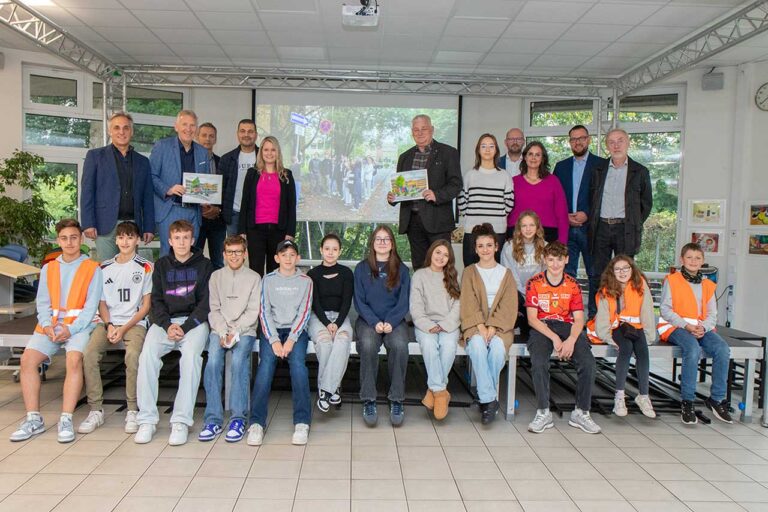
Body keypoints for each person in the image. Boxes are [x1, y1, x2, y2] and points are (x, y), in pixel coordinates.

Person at [10, 219, 103, 443]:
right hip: (50, 326)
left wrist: (69, 329)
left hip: (79, 326)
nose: (69, 242)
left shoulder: (92, 267)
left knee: (73, 361)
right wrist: (48, 326)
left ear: (81, 239)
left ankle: (66, 418)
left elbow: (91, 308)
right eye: (64, 238)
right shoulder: (48, 268)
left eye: (73, 237)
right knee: (27, 361)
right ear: (58, 240)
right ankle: (34, 419)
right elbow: (42, 303)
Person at [134, 220, 213, 446]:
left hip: (193, 323)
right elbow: (156, 301)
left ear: (193, 240)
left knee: (190, 359)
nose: (181, 242)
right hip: (165, 323)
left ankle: (180, 421)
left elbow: (206, 303)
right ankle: (147, 419)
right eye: (177, 238)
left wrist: (185, 327)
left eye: (185, 238)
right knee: (147, 356)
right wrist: (167, 325)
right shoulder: (161, 265)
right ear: (170, 241)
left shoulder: (204, 266)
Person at [79, 221, 152, 436]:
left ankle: (132, 409)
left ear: (137, 240)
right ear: (116, 240)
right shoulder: (104, 267)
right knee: (89, 354)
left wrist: (123, 328)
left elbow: (146, 306)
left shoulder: (146, 266)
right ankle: (95, 409)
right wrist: (110, 325)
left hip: (134, 323)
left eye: (130, 237)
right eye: (121, 237)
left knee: (133, 356)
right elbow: (101, 302)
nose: (125, 241)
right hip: (108, 322)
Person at [526, 241, 600, 434]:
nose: (555, 264)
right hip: (543, 328)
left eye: (559, 260)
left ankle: (581, 412)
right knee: (539, 362)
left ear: (566, 260)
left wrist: (571, 340)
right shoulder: (534, 283)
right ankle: (544, 412)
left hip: (568, 327)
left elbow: (578, 319)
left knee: (588, 363)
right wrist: (554, 338)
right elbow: (532, 319)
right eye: (550, 260)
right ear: (544, 260)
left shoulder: (573, 285)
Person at [657, 243, 732, 425]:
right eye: (689, 257)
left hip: (701, 328)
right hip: (676, 327)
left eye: (697, 258)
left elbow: (712, 314)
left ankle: (716, 399)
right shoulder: (672, 280)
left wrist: (703, 328)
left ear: (703, 262)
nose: (693, 261)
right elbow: (665, 310)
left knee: (722, 349)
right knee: (692, 350)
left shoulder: (708, 285)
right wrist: (686, 326)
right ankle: (687, 401)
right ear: (682, 260)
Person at [247, 239, 313, 446]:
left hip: (296, 331)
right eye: (283, 255)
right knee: (265, 366)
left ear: (298, 258)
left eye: (292, 255)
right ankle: (257, 423)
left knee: (298, 367)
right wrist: (274, 341)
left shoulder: (305, 281)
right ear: (276, 258)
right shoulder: (267, 280)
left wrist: (292, 340)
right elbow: (263, 312)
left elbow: (305, 312)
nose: (288, 258)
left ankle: (302, 422)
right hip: (272, 331)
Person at [199, 235, 261, 443]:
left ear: (245, 254)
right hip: (220, 329)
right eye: (230, 252)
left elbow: (253, 311)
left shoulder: (254, 278)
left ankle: (238, 418)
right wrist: (223, 330)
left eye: (238, 252)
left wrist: (235, 332)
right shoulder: (216, 277)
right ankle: (213, 419)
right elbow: (213, 309)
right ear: (224, 254)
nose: (234, 256)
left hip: (245, 331)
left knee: (237, 361)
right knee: (213, 361)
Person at [459, 223, 518, 424]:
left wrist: (493, 326)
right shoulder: (469, 272)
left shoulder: (506, 274)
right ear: (475, 249)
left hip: (501, 327)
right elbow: (467, 302)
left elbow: (510, 304)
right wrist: (481, 326)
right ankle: (490, 399)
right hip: (474, 325)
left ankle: (485, 399)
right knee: (476, 345)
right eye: (481, 246)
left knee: (497, 350)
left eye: (489, 245)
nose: (485, 249)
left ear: (496, 247)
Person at [388, 114, 462, 270]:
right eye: (416, 130)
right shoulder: (404, 157)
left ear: (432, 130)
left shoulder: (448, 153)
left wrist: (437, 195)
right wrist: (393, 197)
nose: (420, 133)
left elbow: (456, 185)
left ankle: (443, 295)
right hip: (413, 222)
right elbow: (401, 187)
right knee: (419, 266)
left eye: (424, 129)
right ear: (412, 132)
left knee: (442, 267)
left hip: (438, 222)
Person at [586, 255, 656, 418]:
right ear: (612, 272)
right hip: (616, 328)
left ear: (632, 269)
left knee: (643, 353)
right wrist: (609, 339)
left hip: (636, 328)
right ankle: (619, 395)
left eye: (626, 268)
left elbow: (647, 311)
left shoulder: (641, 286)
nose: (622, 272)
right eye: (618, 269)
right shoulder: (606, 290)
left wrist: (648, 336)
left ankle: (643, 396)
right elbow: (603, 320)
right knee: (625, 348)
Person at [354, 225, 411, 427]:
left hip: (394, 321)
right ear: (372, 243)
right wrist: (375, 322)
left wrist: (391, 321)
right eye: (378, 239)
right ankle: (369, 399)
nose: (382, 242)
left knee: (399, 345)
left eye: (386, 239)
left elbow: (404, 302)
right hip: (368, 321)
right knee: (368, 345)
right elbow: (359, 301)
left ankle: (397, 399)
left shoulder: (402, 270)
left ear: (393, 244)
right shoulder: (362, 268)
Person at [80, 111, 155, 261]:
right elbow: (87, 191)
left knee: (130, 269)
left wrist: (149, 227)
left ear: (131, 131)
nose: (121, 132)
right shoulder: (95, 156)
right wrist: (88, 223)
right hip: (104, 225)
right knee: (108, 271)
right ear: (109, 131)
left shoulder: (143, 162)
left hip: (133, 225)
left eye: (126, 128)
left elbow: (148, 197)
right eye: (116, 128)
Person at [589, 128, 653, 288]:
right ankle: (598, 311)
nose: (616, 145)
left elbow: (646, 204)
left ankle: (624, 311)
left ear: (628, 143)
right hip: (601, 228)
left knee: (625, 273)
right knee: (600, 273)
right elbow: (591, 199)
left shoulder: (640, 171)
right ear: (607, 146)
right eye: (611, 142)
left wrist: (633, 221)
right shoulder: (597, 170)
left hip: (626, 230)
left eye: (620, 141)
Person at [553, 125, 605, 317]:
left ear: (589, 140)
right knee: (567, 274)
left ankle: (593, 318)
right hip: (567, 228)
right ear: (569, 142)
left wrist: (588, 214)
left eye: (581, 138)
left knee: (594, 274)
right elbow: (556, 197)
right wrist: (564, 214)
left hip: (591, 229)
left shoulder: (601, 165)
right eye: (573, 139)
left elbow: (603, 198)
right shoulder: (561, 167)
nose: (578, 142)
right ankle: (567, 315)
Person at [150, 109, 211, 256]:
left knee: (190, 255)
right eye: (184, 124)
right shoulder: (162, 146)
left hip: (194, 212)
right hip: (170, 208)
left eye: (192, 125)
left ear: (196, 129)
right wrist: (168, 189)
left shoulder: (203, 152)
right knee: (168, 256)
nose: (188, 129)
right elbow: (151, 175)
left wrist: (206, 197)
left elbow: (206, 180)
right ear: (176, 126)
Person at [411, 240, 461, 420]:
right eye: (438, 252)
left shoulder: (453, 276)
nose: (441, 257)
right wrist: (428, 325)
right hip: (425, 323)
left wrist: (445, 325)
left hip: (449, 323)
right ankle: (441, 392)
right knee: (429, 344)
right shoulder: (419, 275)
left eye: (446, 255)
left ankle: (434, 391)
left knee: (448, 346)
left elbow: (458, 306)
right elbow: (415, 306)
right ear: (431, 253)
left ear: (449, 259)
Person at [307, 234, 354, 413]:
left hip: (341, 317)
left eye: (335, 249)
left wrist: (338, 323)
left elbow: (346, 302)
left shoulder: (346, 273)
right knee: (325, 343)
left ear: (340, 251)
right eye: (327, 249)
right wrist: (327, 323)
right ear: (321, 250)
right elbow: (315, 303)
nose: (330, 253)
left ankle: (325, 391)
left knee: (343, 340)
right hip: (319, 317)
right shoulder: (313, 274)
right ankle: (334, 389)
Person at [238, 136, 297, 277]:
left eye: (273, 150)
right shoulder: (252, 174)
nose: (269, 153)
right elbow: (245, 203)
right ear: (261, 152)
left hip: (279, 231)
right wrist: (242, 231)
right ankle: (256, 299)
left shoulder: (286, 175)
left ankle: (272, 299)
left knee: (275, 271)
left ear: (278, 152)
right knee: (255, 270)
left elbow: (291, 207)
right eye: (266, 149)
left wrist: (290, 232)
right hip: (255, 231)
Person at [458, 133, 513, 266]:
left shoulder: (504, 176)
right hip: (472, 232)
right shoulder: (469, 175)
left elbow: (509, 204)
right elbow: (462, 203)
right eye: (483, 146)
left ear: (496, 150)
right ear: (478, 150)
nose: (487, 149)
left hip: (497, 231)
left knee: (495, 272)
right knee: (471, 271)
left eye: (491, 146)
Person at [507, 141, 569, 244]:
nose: (533, 158)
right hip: (518, 234)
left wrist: (562, 243)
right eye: (530, 154)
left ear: (543, 158)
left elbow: (562, 214)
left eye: (537, 155)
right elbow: (507, 212)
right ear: (525, 157)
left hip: (547, 235)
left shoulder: (553, 181)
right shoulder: (513, 182)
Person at [500, 210, 547, 337]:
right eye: (524, 226)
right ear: (519, 229)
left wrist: (532, 294)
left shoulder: (545, 247)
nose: (528, 229)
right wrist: (525, 294)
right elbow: (509, 274)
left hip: (537, 293)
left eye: (531, 225)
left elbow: (544, 275)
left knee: (533, 325)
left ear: (537, 227)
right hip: (517, 293)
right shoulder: (509, 246)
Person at [219, 119, 259, 236]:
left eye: (250, 131)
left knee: (257, 253)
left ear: (255, 135)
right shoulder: (226, 159)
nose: (246, 135)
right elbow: (221, 188)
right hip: (234, 214)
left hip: (258, 215)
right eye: (242, 131)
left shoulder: (264, 157)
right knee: (234, 252)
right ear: (238, 134)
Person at [194, 122, 225, 269]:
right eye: (204, 135)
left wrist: (218, 209)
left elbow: (227, 190)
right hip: (196, 218)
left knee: (218, 262)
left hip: (216, 220)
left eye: (211, 136)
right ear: (197, 137)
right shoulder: (190, 161)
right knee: (194, 260)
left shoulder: (222, 162)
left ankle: (216, 293)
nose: (207, 139)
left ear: (215, 139)